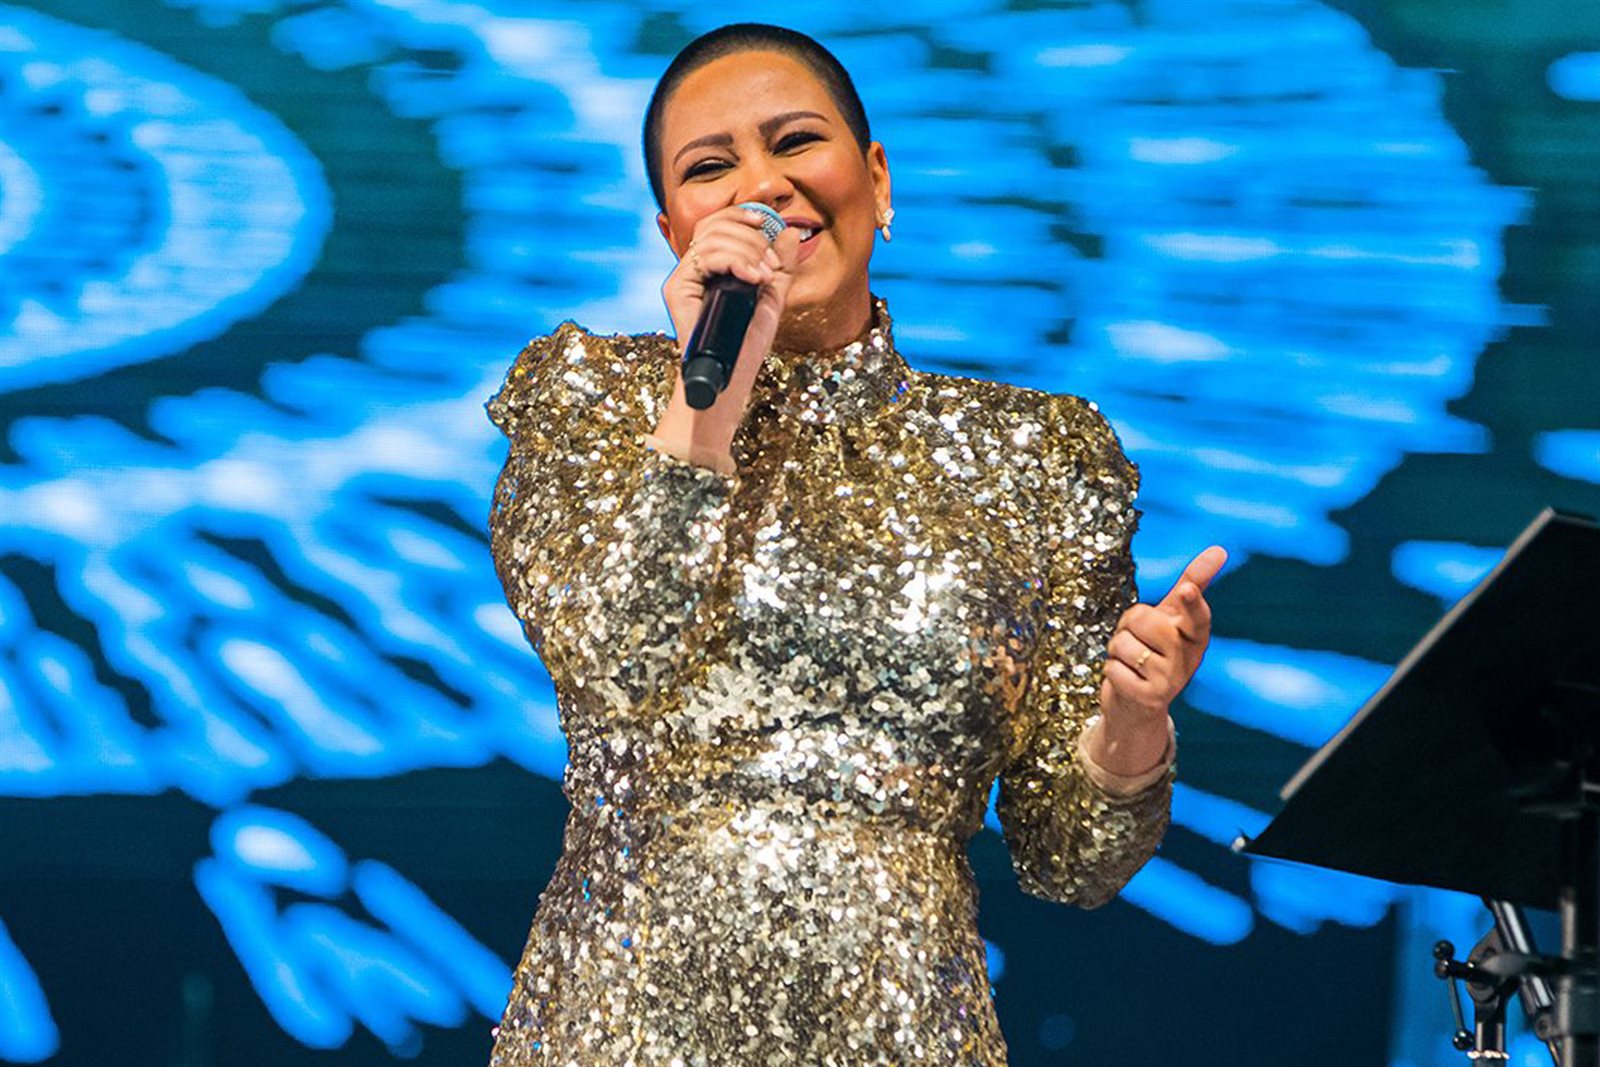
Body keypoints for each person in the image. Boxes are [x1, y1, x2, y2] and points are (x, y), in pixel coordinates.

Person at [483, 22, 1225, 1067]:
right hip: (623, 1027)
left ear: (875, 180)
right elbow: (617, 663)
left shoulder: (1036, 457)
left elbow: (1072, 861)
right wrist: (706, 403)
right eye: (710, 167)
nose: (763, 186)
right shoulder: (589, 403)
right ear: (671, 230)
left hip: (906, 1030)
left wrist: (1132, 722)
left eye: (795, 142)